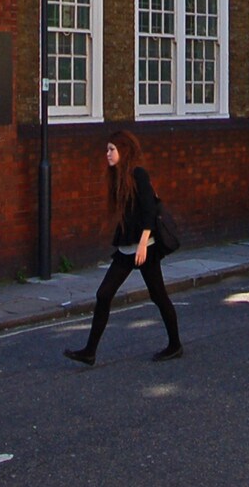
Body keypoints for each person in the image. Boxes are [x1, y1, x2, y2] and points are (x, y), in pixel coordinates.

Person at [64, 131, 182, 365]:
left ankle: (175, 345)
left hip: (144, 247)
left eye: (111, 150)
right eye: (107, 149)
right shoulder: (118, 177)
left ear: (124, 151)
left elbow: (149, 210)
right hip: (127, 248)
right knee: (104, 294)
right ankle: (90, 352)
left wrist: (142, 245)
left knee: (158, 296)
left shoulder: (138, 174)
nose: (107, 154)